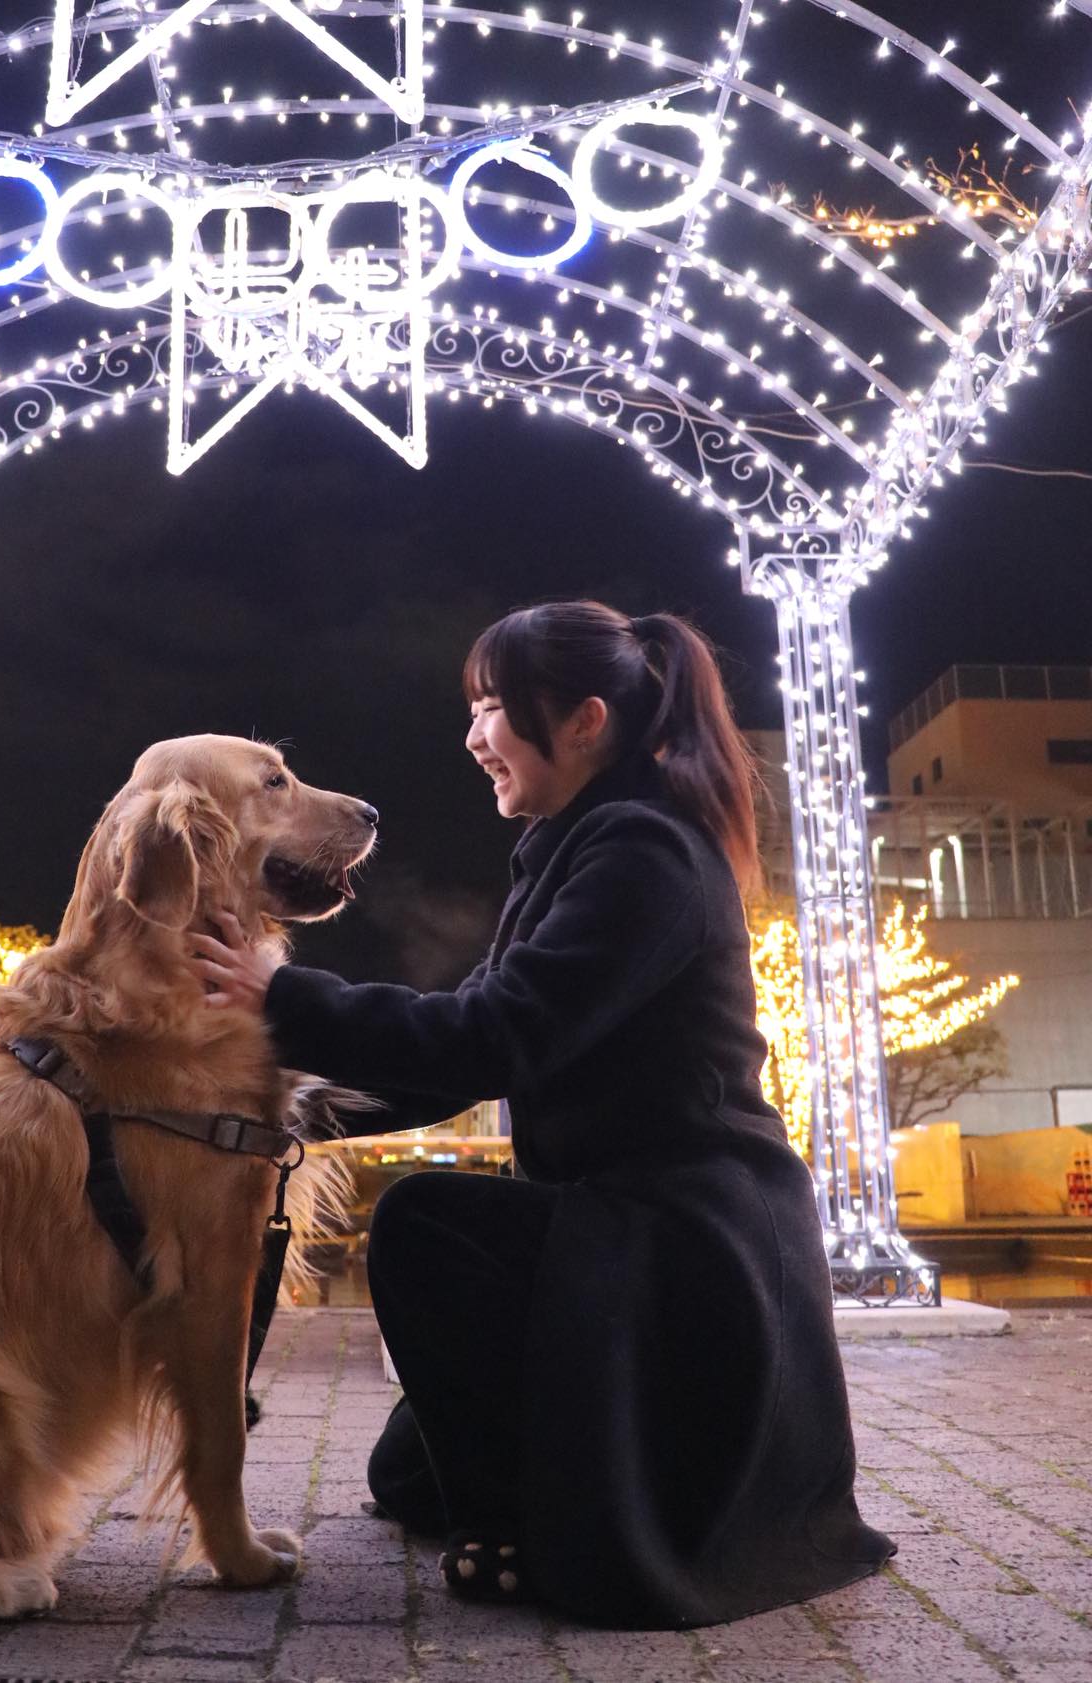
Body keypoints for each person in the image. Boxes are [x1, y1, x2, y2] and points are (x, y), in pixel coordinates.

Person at [189, 600, 895, 1629]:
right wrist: (259, 1104)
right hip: (626, 1228)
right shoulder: (576, 850)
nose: (474, 737)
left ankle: (530, 1539)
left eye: (491, 708)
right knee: (407, 1480)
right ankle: (533, 1483)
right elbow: (455, 1069)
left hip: (688, 1246)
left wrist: (285, 995)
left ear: (583, 722)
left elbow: (494, 1035)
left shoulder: (643, 854)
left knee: (423, 1223)